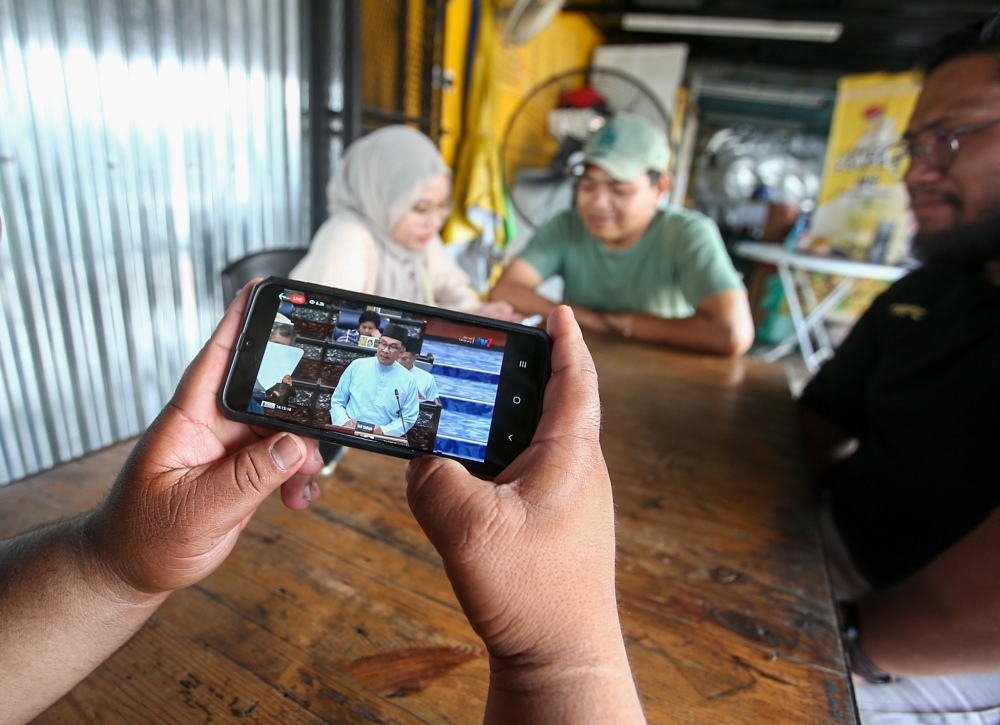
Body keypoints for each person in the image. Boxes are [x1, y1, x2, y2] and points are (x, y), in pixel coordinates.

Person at [0, 282, 645, 725]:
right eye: (384, 343)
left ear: (409, 351)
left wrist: (111, 563)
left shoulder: (421, 378)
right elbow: (337, 408)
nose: (389, 351)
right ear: (375, 345)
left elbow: (425, 418)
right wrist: (565, 657)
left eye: (398, 345)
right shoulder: (352, 371)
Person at [798, 15, 1000, 722]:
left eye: (948, 137)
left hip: (931, 646)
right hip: (825, 550)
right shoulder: (931, 290)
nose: (917, 170)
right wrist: (767, 527)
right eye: (913, 146)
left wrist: (837, 637)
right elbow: (820, 417)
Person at [490, 114, 754, 356]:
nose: (598, 203)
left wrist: (630, 324)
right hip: (589, 366)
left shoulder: (687, 235)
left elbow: (732, 333)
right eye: (588, 185)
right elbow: (505, 290)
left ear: (660, 187)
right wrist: (598, 322)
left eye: (619, 190)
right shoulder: (567, 226)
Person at [290, 125, 517, 321]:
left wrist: (478, 312)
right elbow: (331, 322)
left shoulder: (419, 236)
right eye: (421, 209)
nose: (436, 222)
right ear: (382, 198)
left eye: (441, 206)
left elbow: (453, 285)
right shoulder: (348, 237)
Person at [329, 324, 421, 438]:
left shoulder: (409, 380)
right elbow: (338, 400)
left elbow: (408, 418)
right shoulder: (357, 365)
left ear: (401, 352)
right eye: (383, 344)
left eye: (392, 347)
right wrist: (344, 421)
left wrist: (383, 431)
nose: (385, 350)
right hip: (348, 432)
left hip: (381, 438)